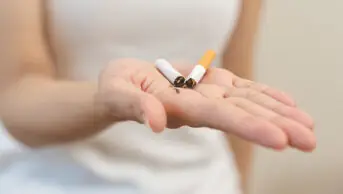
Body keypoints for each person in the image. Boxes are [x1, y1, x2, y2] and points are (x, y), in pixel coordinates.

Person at [0, 0, 315, 194]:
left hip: (206, 185)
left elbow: (239, 89)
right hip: (53, 184)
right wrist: (103, 101)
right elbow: (18, 95)